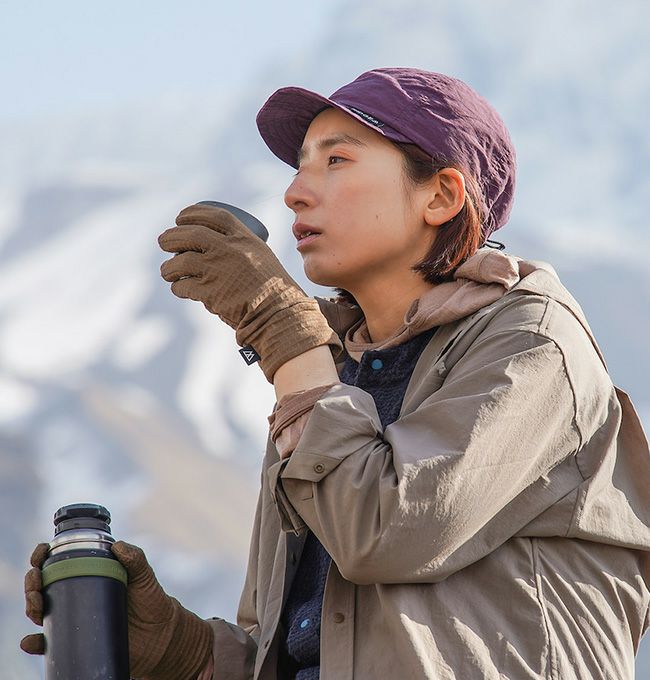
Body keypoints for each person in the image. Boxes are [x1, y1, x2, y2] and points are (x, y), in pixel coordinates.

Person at [22, 68, 650, 679]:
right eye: (299, 166)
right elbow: (297, 642)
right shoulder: (334, 375)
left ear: (441, 196)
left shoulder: (531, 342)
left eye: (337, 160)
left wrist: (285, 337)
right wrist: (185, 652)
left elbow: (390, 531)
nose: (295, 192)